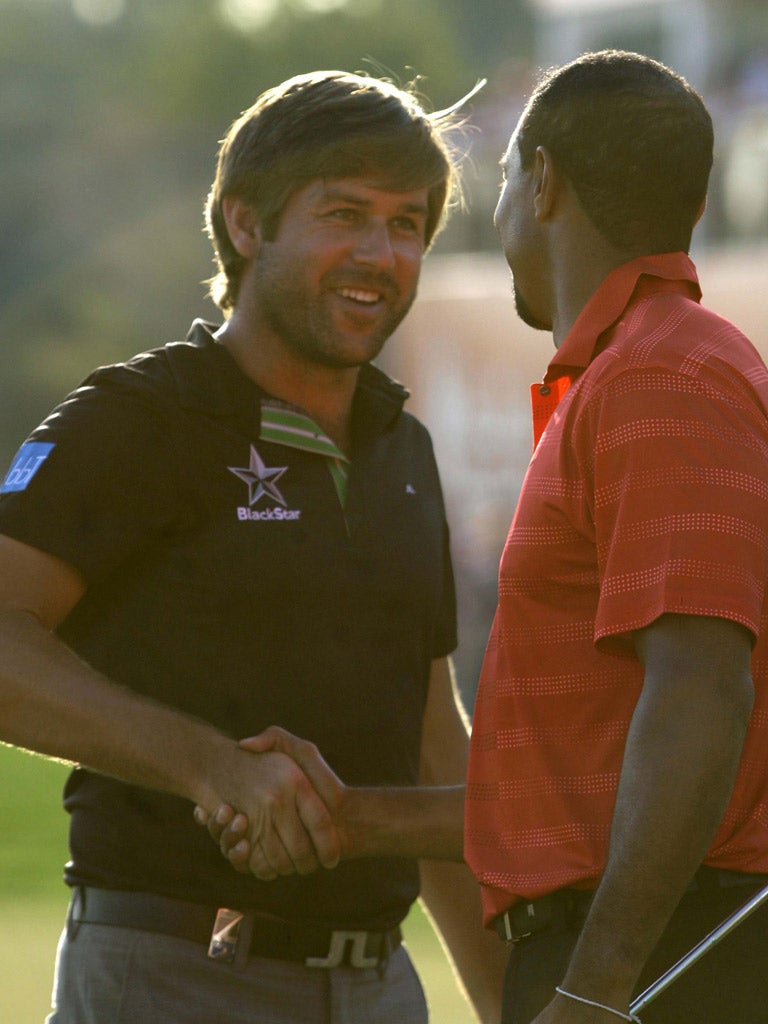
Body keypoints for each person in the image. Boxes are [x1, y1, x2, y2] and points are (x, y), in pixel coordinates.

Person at [0, 71, 506, 1023]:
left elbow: (429, 735)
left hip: (379, 988)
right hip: (169, 975)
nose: (380, 253)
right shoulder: (141, 418)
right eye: (345, 214)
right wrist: (214, 767)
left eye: (407, 225)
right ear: (245, 224)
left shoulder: (406, 448)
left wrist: (505, 1003)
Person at [464, 50, 768, 1024]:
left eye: (507, 176)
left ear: (542, 180)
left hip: (662, 965)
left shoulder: (659, 375)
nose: (499, 205)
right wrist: (349, 819)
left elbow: (702, 686)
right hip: (645, 953)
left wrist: (595, 990)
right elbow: (574, 769)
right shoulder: (638, 369)